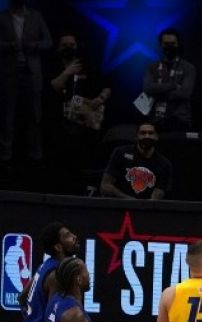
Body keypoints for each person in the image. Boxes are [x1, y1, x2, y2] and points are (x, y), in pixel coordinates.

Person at [45, 31, 111, 186]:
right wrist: (67, 72)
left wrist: (100, 99)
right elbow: (54, 86)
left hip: (85, 121)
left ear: (77, 46)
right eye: (64, 45)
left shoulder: (88, 65)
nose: (68, 48)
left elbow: (107, 87)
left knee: (83, 158)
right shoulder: (53, 65)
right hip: (60, 121)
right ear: (58, 48)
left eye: (71, 45)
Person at [17, 222, 78, 322]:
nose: (74, 237)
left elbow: (21, 297)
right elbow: (53, 318)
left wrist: (31, 319)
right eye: (68, 235)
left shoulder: (46, 264)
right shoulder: (56, 274)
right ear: (58, 247)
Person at [0, 0, 52, 164]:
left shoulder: (36, 16)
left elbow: (48, 42)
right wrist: (9, 45)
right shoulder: (2, 17)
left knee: (35, 116)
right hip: (9, 73)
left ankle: (35, 156)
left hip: (32, 74)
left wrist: (34, 45)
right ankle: (5, 157)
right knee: (7, 117)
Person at [100, 121, 173, 199]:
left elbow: (156, 196)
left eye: (150, 133)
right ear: (136, 137)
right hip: (119, 205)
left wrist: (141, 206)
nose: (147, 136)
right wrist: (129, 200)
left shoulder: (164, 164)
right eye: (143, 133)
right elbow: (104, 186)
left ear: (156, 137)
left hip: (144, 209)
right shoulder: (121, 153)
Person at [143, 28, 196, 132]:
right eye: (166, 44)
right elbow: (147, 88)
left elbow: (184, 93)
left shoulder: (188, 67)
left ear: (178, 44)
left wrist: (157, 93)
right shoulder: (152, 67)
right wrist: (174, 85)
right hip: (156, 119)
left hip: (180, 120)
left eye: (172, 43)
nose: (169, 47)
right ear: (160, 45)